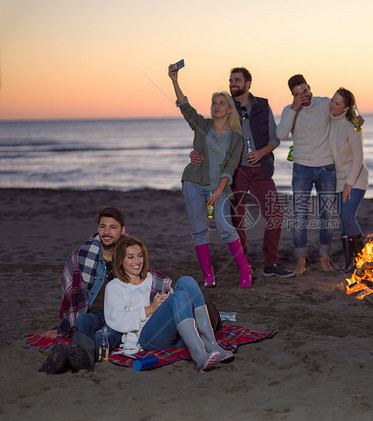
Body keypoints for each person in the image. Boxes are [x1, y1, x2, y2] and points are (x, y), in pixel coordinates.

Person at [190, 67, 292, 278]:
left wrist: (262, 152)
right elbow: (211, 134)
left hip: (261, 169)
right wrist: (195, 153)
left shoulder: (262, 105)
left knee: (276, 215)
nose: (232, 83)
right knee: (237, 219)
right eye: (230, 80)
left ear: (248, 84)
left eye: (237, 80)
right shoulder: (227, 106)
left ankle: (271, 264)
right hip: (235, 171)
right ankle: (246, 265)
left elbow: (275, 138)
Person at [40, 207, 166, 374]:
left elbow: (144, 276)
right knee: (83, 320)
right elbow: (69, 295)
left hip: (117, 314)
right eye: (102, 226)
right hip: (94, 312)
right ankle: (78, 358)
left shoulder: (129, 254)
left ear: (122, 230)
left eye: (113, 227)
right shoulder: (82, 256)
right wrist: (63, 326)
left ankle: (71, 360)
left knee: (108, 333)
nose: (106, 232)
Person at [169, 63, 252, 288]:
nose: (216, 106)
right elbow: (185, 107)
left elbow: (231, 165)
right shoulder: (203, 126)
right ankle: (208, 277)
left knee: (225, 228)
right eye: (214, 103)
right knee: (199, 230)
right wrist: (174, 81)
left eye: (221, 103)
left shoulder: (236, 137)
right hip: (193, 183)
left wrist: (218, 190)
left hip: (219, 187)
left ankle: (245, 271)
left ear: (228, 110)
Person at [104, 236, 233, 372]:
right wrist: (151, 309)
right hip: (146, 339)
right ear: (120, 261)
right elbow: (116, 319)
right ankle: (200, 355)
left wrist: (166, 302)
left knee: (186, 281)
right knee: (179, 296)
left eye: (140, 256)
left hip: (171, 332)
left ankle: (211, 343)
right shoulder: (115, 287)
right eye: (130, 257)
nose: (137, 261)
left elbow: (177, 302)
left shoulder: (153, 278)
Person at [276, 74, 338, 276]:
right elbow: (281, 134)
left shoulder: (325, 103)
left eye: (305, 90)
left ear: (309, 87)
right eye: (297, 94)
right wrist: (294, 107)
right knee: (300, 217)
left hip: (326, 168)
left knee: (327, 216)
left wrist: (356, 116)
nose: (303, 95)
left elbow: (346, 109)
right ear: (292, 95)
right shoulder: (290, 110)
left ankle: (324, 259)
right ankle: (300, 263)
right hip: (302, 168)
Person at [326, 88, 369, 272]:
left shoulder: (352, 126)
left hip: (356, 178)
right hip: (337, 180)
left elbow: (358, 159)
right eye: (332, 101)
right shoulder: (327, 123)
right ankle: (349, 263)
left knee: (347, 216)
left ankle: (362, 260)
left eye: (337, 103)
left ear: (345, 108)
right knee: (343, 221)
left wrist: (348, 184)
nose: (332, 105)